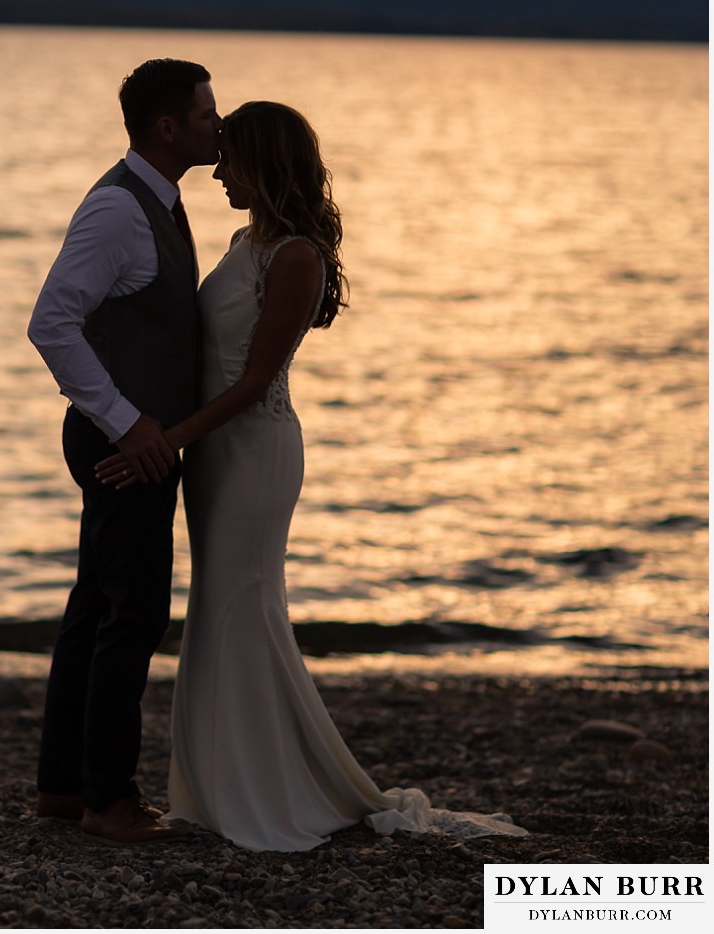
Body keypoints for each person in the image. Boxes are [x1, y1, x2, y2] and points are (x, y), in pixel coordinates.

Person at [98, 101, 529, 852]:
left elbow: (252, 379)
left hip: (254, 450)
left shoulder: (295, 255)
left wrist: (163, 442)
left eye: (230, 157)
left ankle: (267, 791)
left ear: (263, 162)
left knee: (245, 604)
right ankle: (224, 783)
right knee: (218, 607)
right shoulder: (243, 238)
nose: (218, 169)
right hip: (212, 456)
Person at [28, 57, 222, 846]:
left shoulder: (160, 202)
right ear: (168, 126)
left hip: (129, 432)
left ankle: (63, 788)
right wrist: (127, 420)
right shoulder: (118, 208)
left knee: (96, 604)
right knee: (132, 612)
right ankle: (109, 798)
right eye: (208, 113)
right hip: (122, 439)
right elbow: (51, 322)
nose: (220, 123)